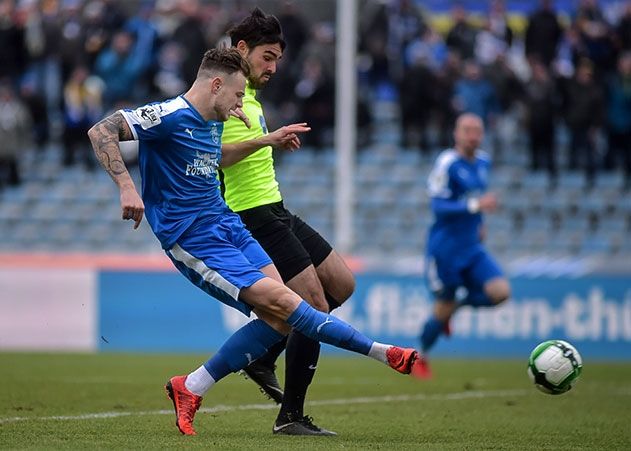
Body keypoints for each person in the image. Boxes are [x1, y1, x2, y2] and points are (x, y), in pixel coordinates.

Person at [87, 47, 423, 437]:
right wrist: (128, 188)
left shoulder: (214, 117)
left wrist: (262, 140)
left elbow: (214, 157)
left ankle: (190, 386)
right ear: (216, 85)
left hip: (228, 225)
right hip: (193, 238)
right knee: (290, 304)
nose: (239, 103)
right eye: (236, 95)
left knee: (280, 319)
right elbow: (101, 131)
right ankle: (384, 353)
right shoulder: (167, 116)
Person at [218, 8, 358, 436]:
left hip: (276, 206)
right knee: (313, 307)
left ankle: (265, 353)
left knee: (342, 284)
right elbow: (215, 157)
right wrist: (266, 139)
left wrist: (269, 138)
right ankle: (291, 416)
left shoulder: (251, 97)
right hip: (252, 215)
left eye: (277, 58)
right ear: (241, 49)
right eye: (267, 56)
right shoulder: (219, 93)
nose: (273, 67)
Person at [418, 113, 511, 377]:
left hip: (472, 247)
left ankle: (458, 306)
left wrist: (479, 221)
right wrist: (475, 207)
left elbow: (476, 197)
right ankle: (421, 355)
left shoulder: (483, 162)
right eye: (467, 130)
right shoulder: (447, 162)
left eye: (477, 131)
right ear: (456, 133)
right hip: (446, 250)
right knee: (442, 307)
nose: (473, 136)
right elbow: (438, 205)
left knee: (501, 292)